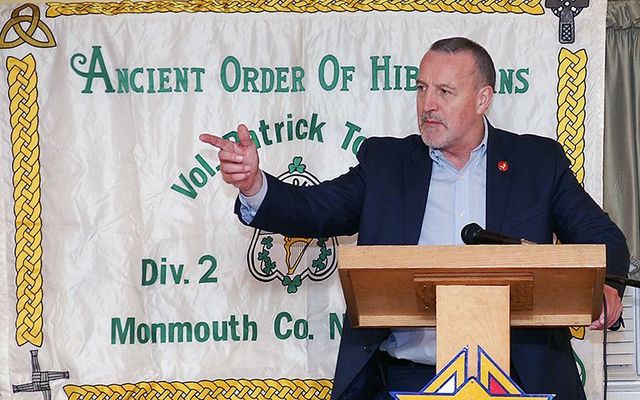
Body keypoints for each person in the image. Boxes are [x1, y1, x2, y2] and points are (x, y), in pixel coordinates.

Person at [200, 37, 629, 400]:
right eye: (422, 89)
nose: (428, 104)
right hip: (407, 378)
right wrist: (256, 183)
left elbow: (600, 234)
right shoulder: (387, 162)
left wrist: (608, 286)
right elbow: (318, 209)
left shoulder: (537, 162)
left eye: (445, 92)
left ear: (483, 99)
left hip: (516, 378)